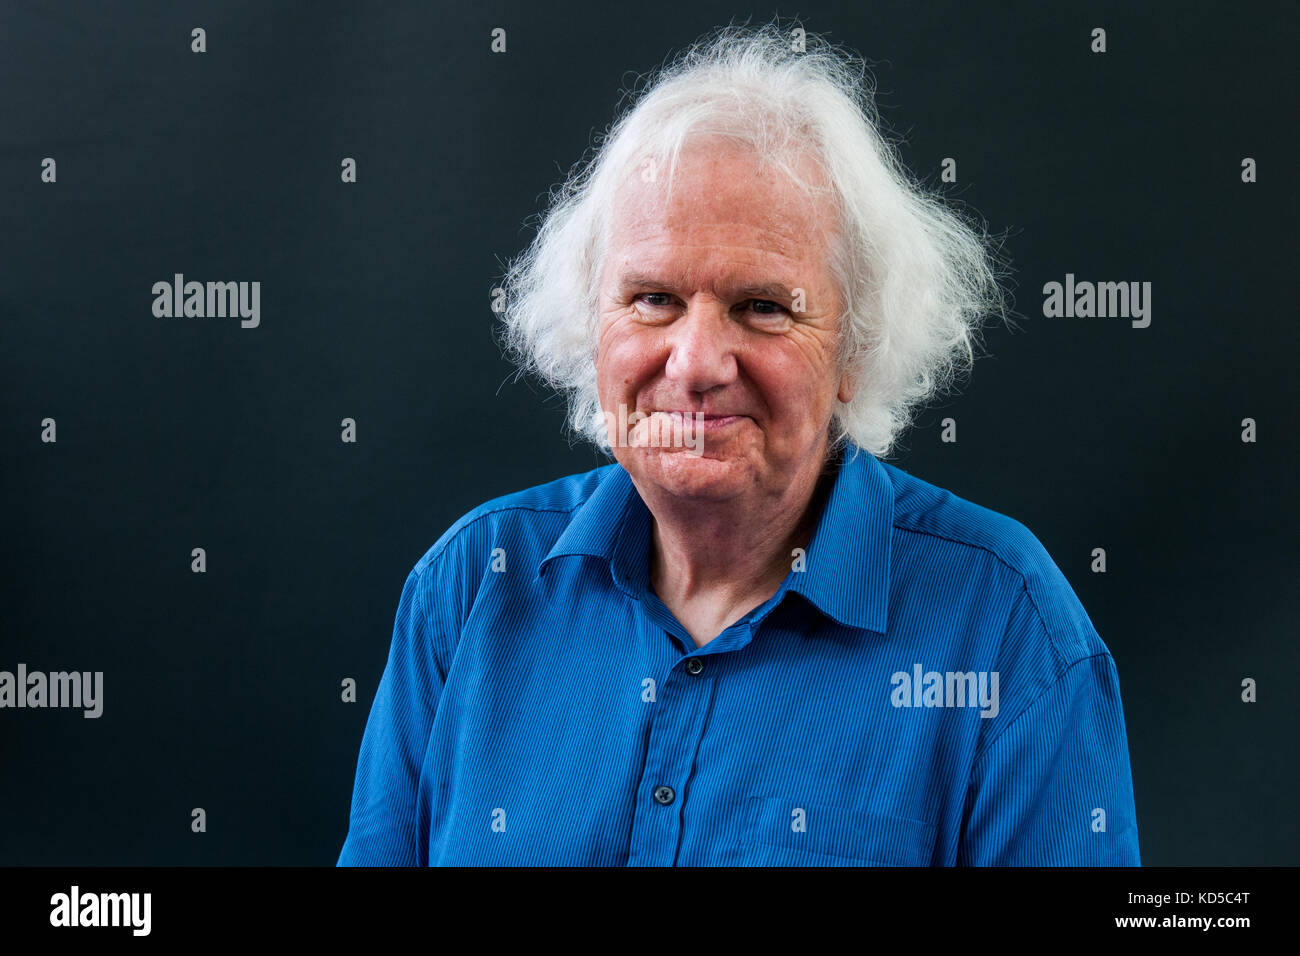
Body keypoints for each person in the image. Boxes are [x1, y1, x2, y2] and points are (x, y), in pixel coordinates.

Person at [337, 21, 1140, 866]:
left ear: (855, 353)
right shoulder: (472, 588)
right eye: (652, 299)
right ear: (591, 325)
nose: (696, 364)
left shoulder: (1009, 633)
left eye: (763, 306)